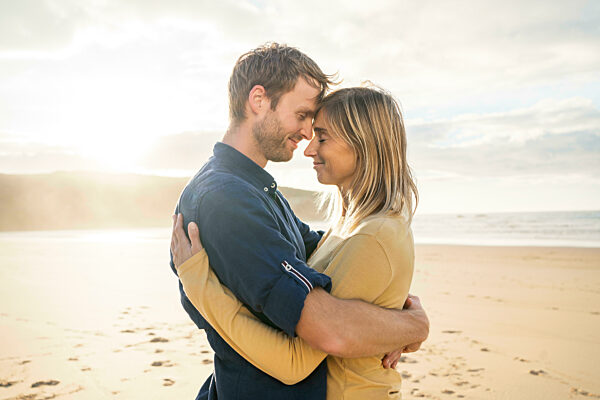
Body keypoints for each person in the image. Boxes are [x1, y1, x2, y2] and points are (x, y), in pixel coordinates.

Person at [170, 43, 429, 400]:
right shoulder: (227, 198)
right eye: (303, 115)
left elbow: (324, 253)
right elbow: (326, 328)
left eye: (319, 130)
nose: (307, 135)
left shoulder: (256, 189)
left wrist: (388, 308)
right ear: (259, 100)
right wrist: (410, 325)